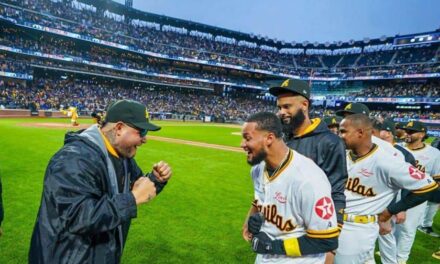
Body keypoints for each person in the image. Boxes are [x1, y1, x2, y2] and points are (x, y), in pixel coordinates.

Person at [29, 99, 172, 263]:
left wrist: (156, 180)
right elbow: (78, 218)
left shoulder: (122, 156)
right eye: (142, 132)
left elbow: (139, 186)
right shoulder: (73, 159)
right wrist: (132, 199)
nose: (144, 139)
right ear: (118, 128)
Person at [335, 114, 437, 264]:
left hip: (358, 227)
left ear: (361, 132)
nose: (339, 135)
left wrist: (392, 210)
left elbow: (428, 186)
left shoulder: (388, 161)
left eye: (343, 131)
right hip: (338, 221)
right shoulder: (345, 154)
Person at [241, 112, 338, 263]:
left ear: (269, 138)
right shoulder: (257, 170)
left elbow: (326, 240)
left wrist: (272, 247)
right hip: (264, 259)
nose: (242, 144)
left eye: (247, 138)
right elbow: (266, 203)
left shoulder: (308, 178)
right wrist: (256, 218)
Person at [269, 79, 347, 233]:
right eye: (279, 107)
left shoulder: (330, 142)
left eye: (287, 106)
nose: (281, 112)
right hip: (278, 220)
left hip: (309, 224)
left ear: (304, 105)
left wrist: (333, 233)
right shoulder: (282, 139)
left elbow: (336, 190)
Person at [392, 121, 440, 263]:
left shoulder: (434, 153)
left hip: (415, 196)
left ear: (422, 134)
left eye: (412, 132)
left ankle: (401, 259)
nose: (407, 134)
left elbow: (437, 178)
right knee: (391, 226)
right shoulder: (397, 147)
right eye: (407, 130)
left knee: (408, 229)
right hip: (394, 192)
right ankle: (391, 252)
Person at [376, 119, 416, 264]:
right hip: (372, 200)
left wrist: (401, 208)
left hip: (390, 203)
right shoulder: (373, 148)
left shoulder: (404, 155)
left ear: (387, 133)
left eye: (377, 130)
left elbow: (409, 184)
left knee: (386, 236)